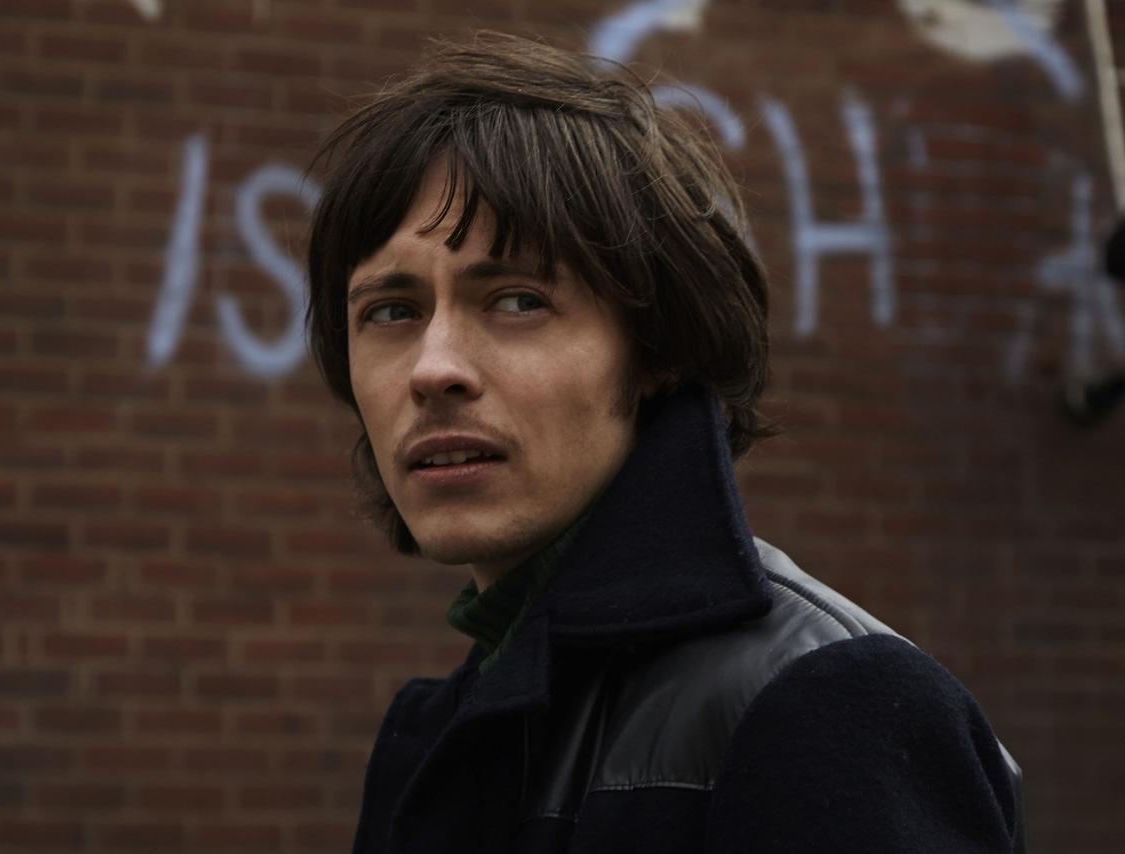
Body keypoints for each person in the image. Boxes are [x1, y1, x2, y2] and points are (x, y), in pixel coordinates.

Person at [305, 31, 1025, 854]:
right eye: (391, 312)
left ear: (658, 351)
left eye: (517, 301)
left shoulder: (829, 707)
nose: (434, 369)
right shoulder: (434, 735)